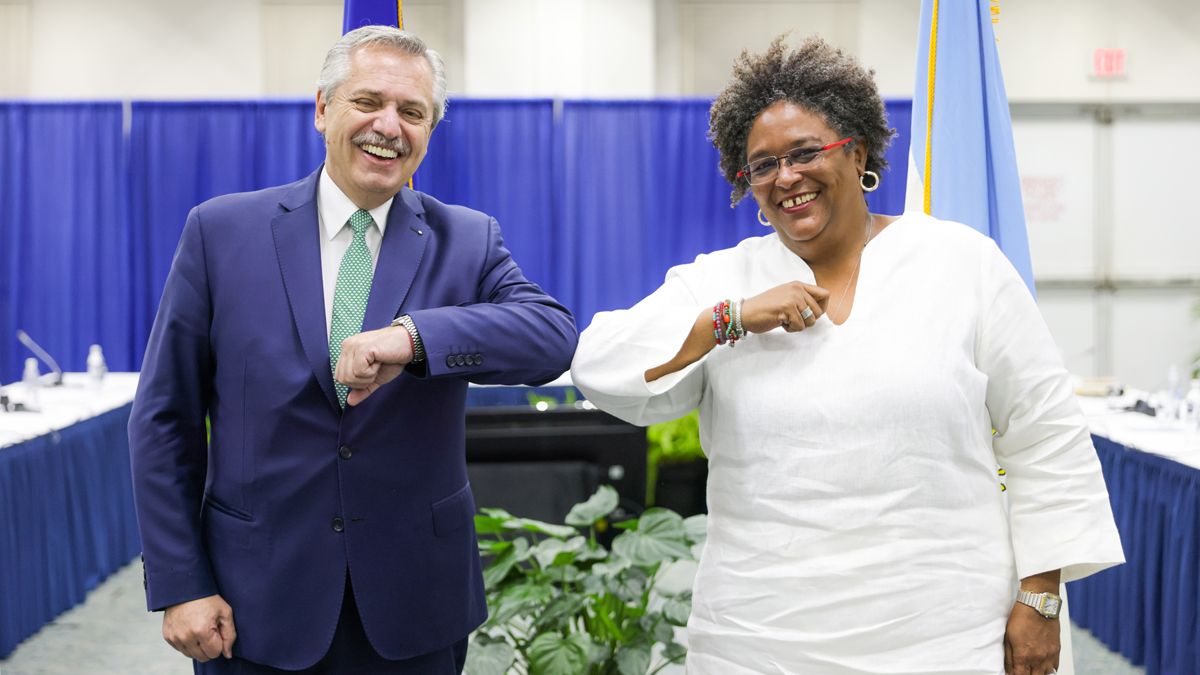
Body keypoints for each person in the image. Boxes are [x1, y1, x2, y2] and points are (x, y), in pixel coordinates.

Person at [570, 36, 1123, 675]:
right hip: (757, 639)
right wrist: (730, 318)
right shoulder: (725, 279)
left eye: (805, 152)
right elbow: (598, 364)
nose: (786, 177)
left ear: (858, 152)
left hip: (944, 632)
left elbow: (1045, 436)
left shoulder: (961, 263)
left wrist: (1040, 596)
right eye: (762, 165)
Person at [128, 26, 577, 674]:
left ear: (429, 131)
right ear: (322, 108)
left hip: (415, 607)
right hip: (253, 606)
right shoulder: (220, 233)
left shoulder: (468, 240)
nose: (388, 126)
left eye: (412, 112)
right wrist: (180, 583)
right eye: (368, 101)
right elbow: (164, 419)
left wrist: (414, 338)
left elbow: (551, 335)